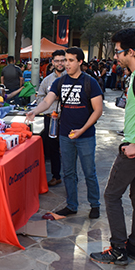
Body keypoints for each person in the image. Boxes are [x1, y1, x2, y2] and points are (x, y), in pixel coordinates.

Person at [90, 28, 135, 265]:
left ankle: (118, 249)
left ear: (131, 52)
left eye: (119, 51)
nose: (116, 57)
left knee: (111, 195)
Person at [26, 47, 103, 218]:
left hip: (85, 135)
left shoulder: (90, 82)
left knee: (89, 172)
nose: (66, 64)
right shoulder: (59, 82)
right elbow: (47, 101)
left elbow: (98, 110)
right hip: (65, 135)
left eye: (70, 60)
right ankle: (72, 205)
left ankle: (94, 204)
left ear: (80, 62)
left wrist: (82, 130)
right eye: (65, 60)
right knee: (69, 172)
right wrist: (35, 111)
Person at [35, 49, 67, 187]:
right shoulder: (47, 80)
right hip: (50, 118)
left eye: (63, 60)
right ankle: (56, 175)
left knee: (68, 147)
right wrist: (52, 99)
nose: (60, 63)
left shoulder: (71, 77)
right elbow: (40, 98)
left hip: (66, 118)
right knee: (53, 148)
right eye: (57, 61)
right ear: (52, 62)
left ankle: (71, 177)